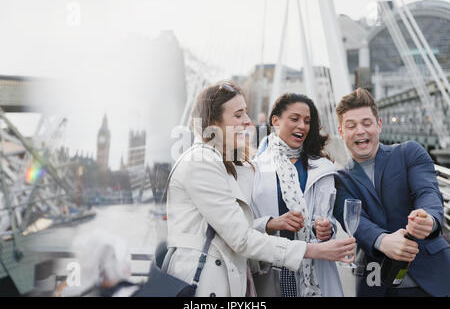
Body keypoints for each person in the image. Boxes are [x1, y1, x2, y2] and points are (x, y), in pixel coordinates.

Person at [165, 80, 356, 297]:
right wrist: (311, 250)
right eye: (238, 115)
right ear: (213, 121)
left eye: (246, 113)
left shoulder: (227, 163)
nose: (248, 121)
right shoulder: (201, 162)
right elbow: (241, 238)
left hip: (227, 277)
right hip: (203, 283)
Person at [333, 87, 450, 297]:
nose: (360, 130)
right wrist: (382, 241)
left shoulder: (409, 152)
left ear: (378, 125)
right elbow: (355, 219)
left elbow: (427, 192)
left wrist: (429, 219)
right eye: (351, 126)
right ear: (341, 132)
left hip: (434, 279)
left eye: (367, 123)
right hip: (376, 282)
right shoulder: (339, 179)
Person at [251, 93, 344, 297]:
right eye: (294, 119)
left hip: (315, 270)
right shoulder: (254, 168)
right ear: (275, 121)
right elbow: (243, 226)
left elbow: (328, 219)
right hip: (272, 270)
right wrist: (270, 223)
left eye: (307, 121)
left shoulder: (323, 169)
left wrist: (327, 229)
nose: (302, 126)